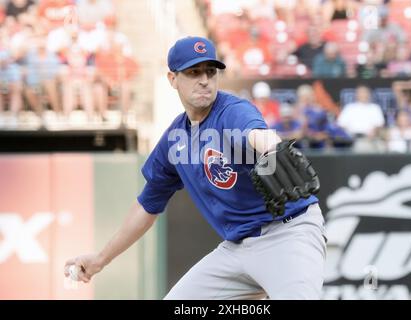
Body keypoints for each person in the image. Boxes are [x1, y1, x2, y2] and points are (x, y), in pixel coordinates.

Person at [64, 36, 327, 300]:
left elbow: (259, 135)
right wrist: (101, 259)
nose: (204, 79)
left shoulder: (232, 111)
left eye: (210, 72)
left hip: (288, 235)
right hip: (237, 249)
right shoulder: (174, 140)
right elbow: (147, 206)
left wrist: (272, 151)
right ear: (172, 79)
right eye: (193, 72)